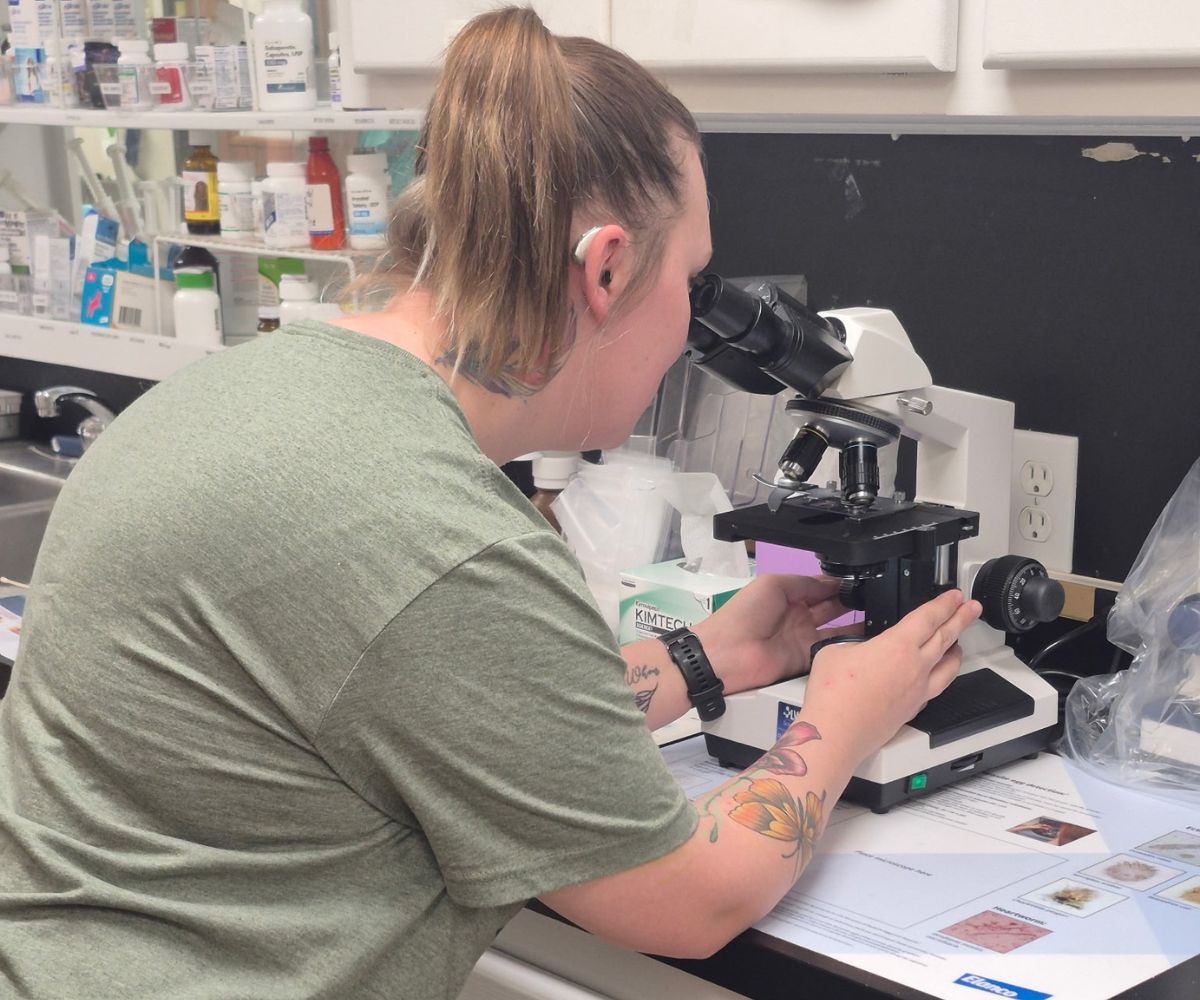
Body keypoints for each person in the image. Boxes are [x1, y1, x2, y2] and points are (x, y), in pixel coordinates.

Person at [0, 8, 980, 999]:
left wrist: (710, 655)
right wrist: (844, 718)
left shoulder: (240, 394)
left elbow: (441, 699)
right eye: (690, 279)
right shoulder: (437, 534)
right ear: (603, 270)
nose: (693, 318)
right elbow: (692, 898)